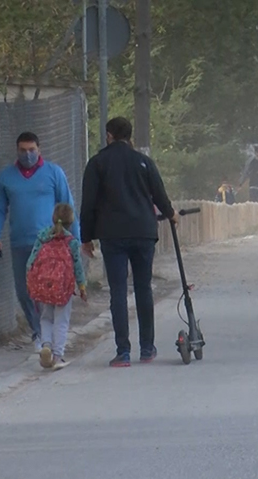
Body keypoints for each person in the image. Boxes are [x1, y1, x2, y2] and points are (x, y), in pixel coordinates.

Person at [80, 117, 177, 367]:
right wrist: (171, 214)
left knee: (119, 291)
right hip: (144, 232)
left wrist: (86, 237)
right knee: (144, 288)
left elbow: (88, 204)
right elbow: (159, 194)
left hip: (113, 235)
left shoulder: (98, 163)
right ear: (129, 135)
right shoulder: (144, 162)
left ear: (109, 135)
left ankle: (123, 351)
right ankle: (147, 348)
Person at [0, 132, 80, 352]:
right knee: (24, 291)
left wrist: (75, 238)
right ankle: (38, 332)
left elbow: (67, 205)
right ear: (17, 150)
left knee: (47, 290)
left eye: (32, 150)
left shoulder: (53, 173)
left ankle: (47, 338)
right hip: (20, 242)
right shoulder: (7, 177)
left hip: (51, 244)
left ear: (39, 149)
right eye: (23, 150)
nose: (27, 154)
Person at [26, 203, 87, 370]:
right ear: (71, 222)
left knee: (46, 318)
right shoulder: (71, 242)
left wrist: (31, 283)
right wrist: (82, 286)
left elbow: (31, 261)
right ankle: (58, 356)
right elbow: (78, 267)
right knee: (61, 320)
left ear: (53, 218)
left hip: (43, 287)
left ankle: (46, 346)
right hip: (63, 288)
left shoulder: (42, 237)